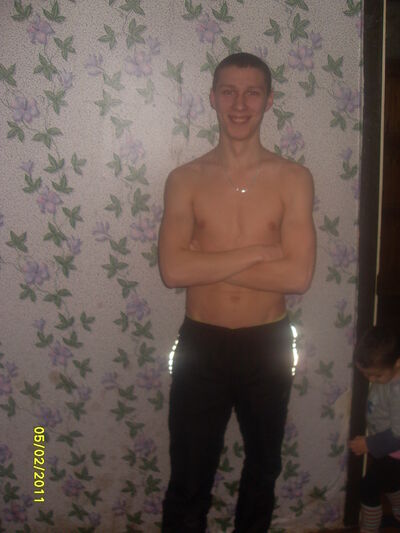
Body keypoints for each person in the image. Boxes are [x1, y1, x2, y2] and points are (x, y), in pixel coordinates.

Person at [158, 52, 316, 532]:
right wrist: (258, 253)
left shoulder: (293, 178)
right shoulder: (185, 180)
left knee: (264, 468)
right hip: (200, 343)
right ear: (212, 98)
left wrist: (207, 264)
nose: (240, 104)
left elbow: (297, 278)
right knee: (189, 475)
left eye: (252, 93)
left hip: (268, 343)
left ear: (269, 100)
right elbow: (173, 270)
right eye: (229, 91)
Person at [349, 326, 400, 533]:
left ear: (397, 362)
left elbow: (399, 434)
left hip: (395, 452)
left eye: (376, 376)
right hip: (386, 449)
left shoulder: (398, 390)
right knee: (391, 484)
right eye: (366, 375)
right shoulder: (388, 375)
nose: (371, 380)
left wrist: (368, 444)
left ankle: (369, 529)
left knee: (368, 488)